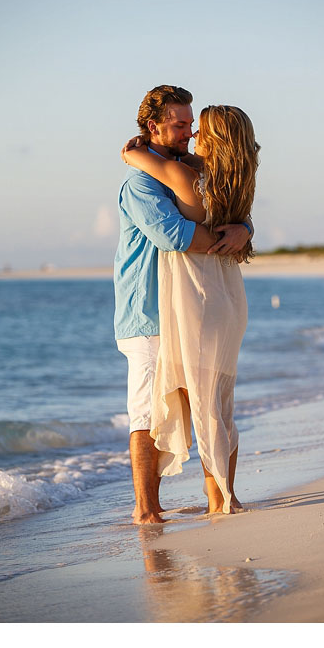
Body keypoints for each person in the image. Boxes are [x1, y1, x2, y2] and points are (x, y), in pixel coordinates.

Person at [112, 85, 251, 524]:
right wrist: (234, 237)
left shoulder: (182, 169)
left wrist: (242, 228)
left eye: (193, 125)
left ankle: (220, 498)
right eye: (181, 124)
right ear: (154, 126)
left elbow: (222, 208)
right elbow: (176, 235)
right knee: (149, 411)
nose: (190, 133)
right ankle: (147, 508)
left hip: (191, 307)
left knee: (207, 403)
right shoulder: (140, 182)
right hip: (150, 313)